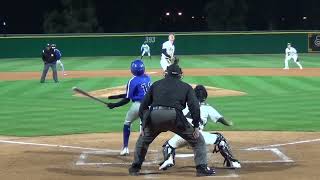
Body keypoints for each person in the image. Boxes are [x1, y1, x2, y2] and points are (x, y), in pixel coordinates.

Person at [128, 60, 215, 177]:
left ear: (166, 73)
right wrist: (195, 127)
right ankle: (201, 168)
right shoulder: (186, 87)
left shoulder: (156, 84)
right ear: (180, 75)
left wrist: (144, 125)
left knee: (142, 141)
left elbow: (143, 106)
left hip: (155, 116)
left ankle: (135, 168)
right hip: (174, 117)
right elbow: (194, 107)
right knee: (198, 141)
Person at [159, 85, 241, 171]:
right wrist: (229, 123)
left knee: (168, 145)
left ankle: (168, 159)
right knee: (220, 139)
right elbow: (221, 119)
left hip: (182, 136)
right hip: (198, 137)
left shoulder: (184, 104)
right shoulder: (207, 107)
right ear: (204, 98)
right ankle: (232, 161)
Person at [106, 59, 151, 156]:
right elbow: (133, 93)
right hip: (150, 106)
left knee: (127, 122)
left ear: (132, 70)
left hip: (138, 106)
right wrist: (115, 97)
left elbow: (127, 99)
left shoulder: (132, 81)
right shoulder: (148, 77)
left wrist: (114, 105)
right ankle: (143, 150)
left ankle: (125, 147)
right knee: (144, 127)